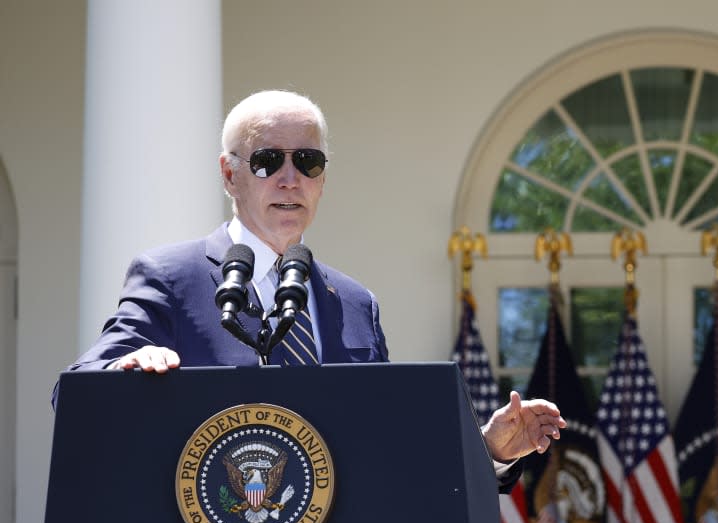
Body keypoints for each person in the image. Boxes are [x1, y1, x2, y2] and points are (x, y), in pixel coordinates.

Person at [65, 89, 564, 473]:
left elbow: (389, 446)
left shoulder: (352, 302)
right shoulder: (172, 277)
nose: (289, 179)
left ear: (322, 179)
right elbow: (80, 387)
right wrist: (123, 371)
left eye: (307, 162)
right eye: (266, 161)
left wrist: (487, 448)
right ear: (228, 174)